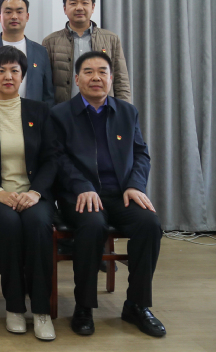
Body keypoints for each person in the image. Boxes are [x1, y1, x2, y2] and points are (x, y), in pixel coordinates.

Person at [51, 51, 164, 338]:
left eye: (102, 71)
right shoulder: (60, 114)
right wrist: (82, 185)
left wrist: (135, 185)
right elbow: (57, 158)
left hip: (121, 193)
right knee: (92, 226)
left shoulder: (127, 112)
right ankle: (84, 306)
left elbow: (141, 154)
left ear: (111, 79)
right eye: (88, 72)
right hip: (79, 195)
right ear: (77, 79)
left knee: (149, 224)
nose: (96, 77)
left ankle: (137, 304)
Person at [0, 46, 59, 341]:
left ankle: (41, 310)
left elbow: (52, 158)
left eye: (14, 70)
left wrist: (36, 193)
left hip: (33, 195)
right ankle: (15, 306)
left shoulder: (39, 111)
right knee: (8, 224)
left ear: (23, 75)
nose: (8, 76)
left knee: (38, 224)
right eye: (1, 71)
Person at [42, 0, 131, 105]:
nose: (79, 8)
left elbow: (121, 81)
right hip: (64, 112)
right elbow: (45, 85)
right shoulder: (50, 42)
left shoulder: (111, 39)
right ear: (64, 8)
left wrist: (124, 111)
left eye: (85, 3)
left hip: (103, 111)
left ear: (93, 7)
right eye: (73, 3)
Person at [0, 0, 53, 106]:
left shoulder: (40, 51)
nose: (14, 16)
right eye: (8, 12)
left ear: (27, 16)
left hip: (32, 115)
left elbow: (48, 94)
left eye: (19, 12)